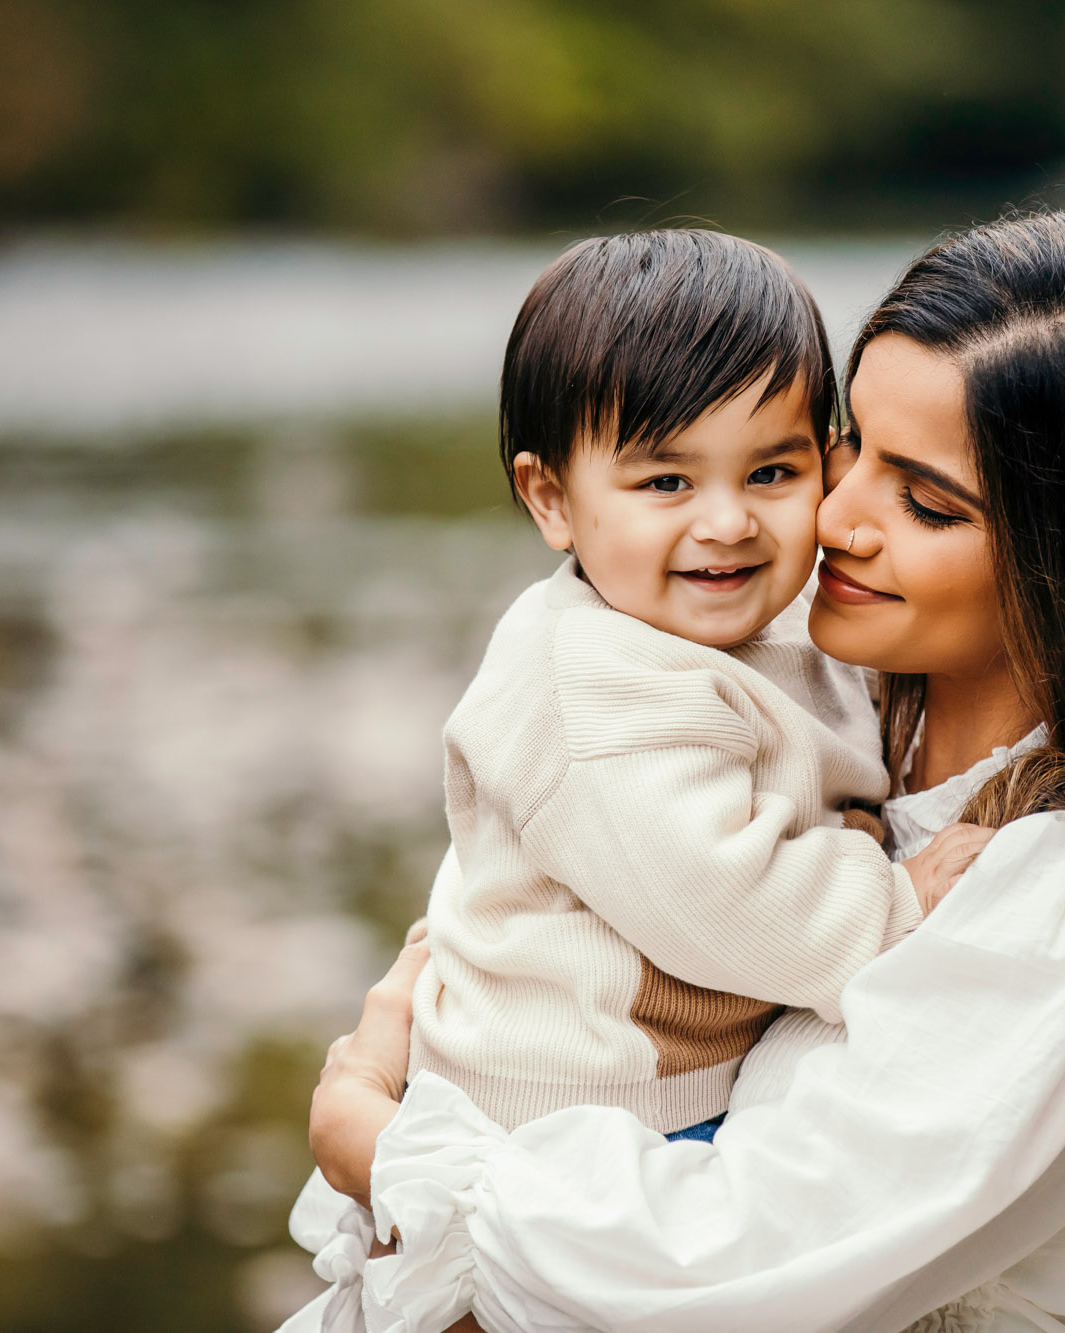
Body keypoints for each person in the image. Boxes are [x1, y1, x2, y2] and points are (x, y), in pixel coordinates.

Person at [303, 206, 1065, 1333]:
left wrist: (388, 1152)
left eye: (923, 501)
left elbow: (730, 1268)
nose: (833, 515)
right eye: (845, 442)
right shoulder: (807, 690)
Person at [285, 229, 987, 1332]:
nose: (726, 522)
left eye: (771, 471)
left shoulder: (753, 636)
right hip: (560, 1127)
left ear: (828, 461)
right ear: (551, 499)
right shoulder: (591, 681)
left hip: (644, 1120)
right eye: (665, 479)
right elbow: (718, 893)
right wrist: (893, 908)